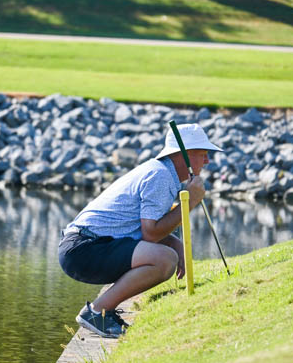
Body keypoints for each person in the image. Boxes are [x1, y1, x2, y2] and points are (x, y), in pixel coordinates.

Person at [58, 123, 222, 338]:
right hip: (84, 249)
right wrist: (189, 202)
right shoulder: (161, 176)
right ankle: (97, 312)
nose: (208, 160)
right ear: (185, 154)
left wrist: (176, 243)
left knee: (169, 252)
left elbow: (146, 229)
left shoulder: (161, 172)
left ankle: (102, 312)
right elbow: (151, 233)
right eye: (203, 154)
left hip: (86, 247)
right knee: (164, 260)